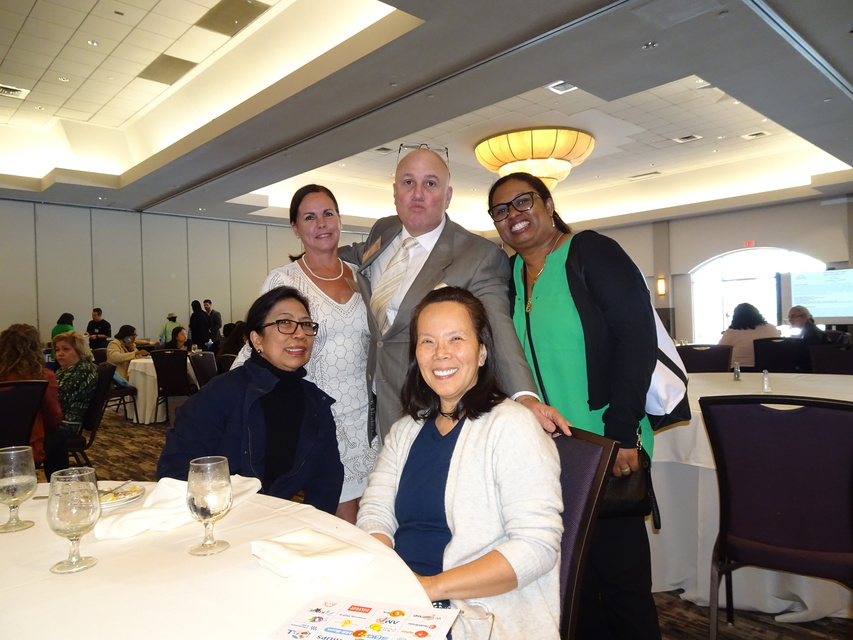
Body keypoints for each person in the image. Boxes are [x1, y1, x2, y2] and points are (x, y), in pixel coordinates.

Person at [487, 172, 661, 639]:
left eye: (523, 202)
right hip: (543, 453)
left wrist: (622, 432)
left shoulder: (591, 252)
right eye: (501, 210)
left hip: (603, 443)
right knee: (569, 585)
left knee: (621, 581)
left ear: (548, 204)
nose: (513, 215)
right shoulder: (509, 276)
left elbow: (637, 339)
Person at [357, 287, 562, 640]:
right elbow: (376, 512)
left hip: (475, 612)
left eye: (456, 339)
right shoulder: (406, 430)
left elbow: (536, 546)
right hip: (402, 600)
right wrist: (389, 576)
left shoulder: (512, 426)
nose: (441, 354)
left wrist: (430, 587)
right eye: (427, 342)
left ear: (482, 352)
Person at [340, 148, 567, 444]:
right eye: (408, 183)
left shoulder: (478, 255)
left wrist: (524, 397)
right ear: (395, 192)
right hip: (373, 403)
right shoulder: (384, 229)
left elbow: (498, 328)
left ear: (447, 196)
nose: (417, 194)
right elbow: (355, 256)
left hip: (433, 410)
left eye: (430, 183)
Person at [233, 185, 374, 524]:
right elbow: (260, 345)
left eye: (328, 213)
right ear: (295, 228)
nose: (321, 223)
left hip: (367, 420)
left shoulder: (363, 276)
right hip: (318, 416)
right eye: (309, 217)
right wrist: (227, 403)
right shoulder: (285, 280)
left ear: (339, 219)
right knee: (339, 519)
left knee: (373, 515)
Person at [157, 286, 344, 514]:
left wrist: (311, 525)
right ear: (257, 340)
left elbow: (327, 478)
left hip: (272, 523)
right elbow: (176, 472)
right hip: (215, 519)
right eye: (285, 323)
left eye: (306, 324)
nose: (300, 334)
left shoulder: (315, 402)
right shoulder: (222, 393)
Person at [0, 324, 63, 474]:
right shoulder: (41, 376)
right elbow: (53, 419)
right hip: (26, 448)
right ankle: (60, 483)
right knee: (58, 436)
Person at [53, 331, 99, 436]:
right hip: (55, 419)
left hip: (65, 425)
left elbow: (60, 400)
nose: (60, 353)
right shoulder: (63, 370)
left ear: (80, 351)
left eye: (66, 349)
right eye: (57, 350)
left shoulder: (84, 370)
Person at [718, 302, 781, 369]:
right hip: (768, 370)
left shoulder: (731, 332)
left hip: (739, 370)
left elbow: (720, 352)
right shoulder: (771, 328)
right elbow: (779, 346)